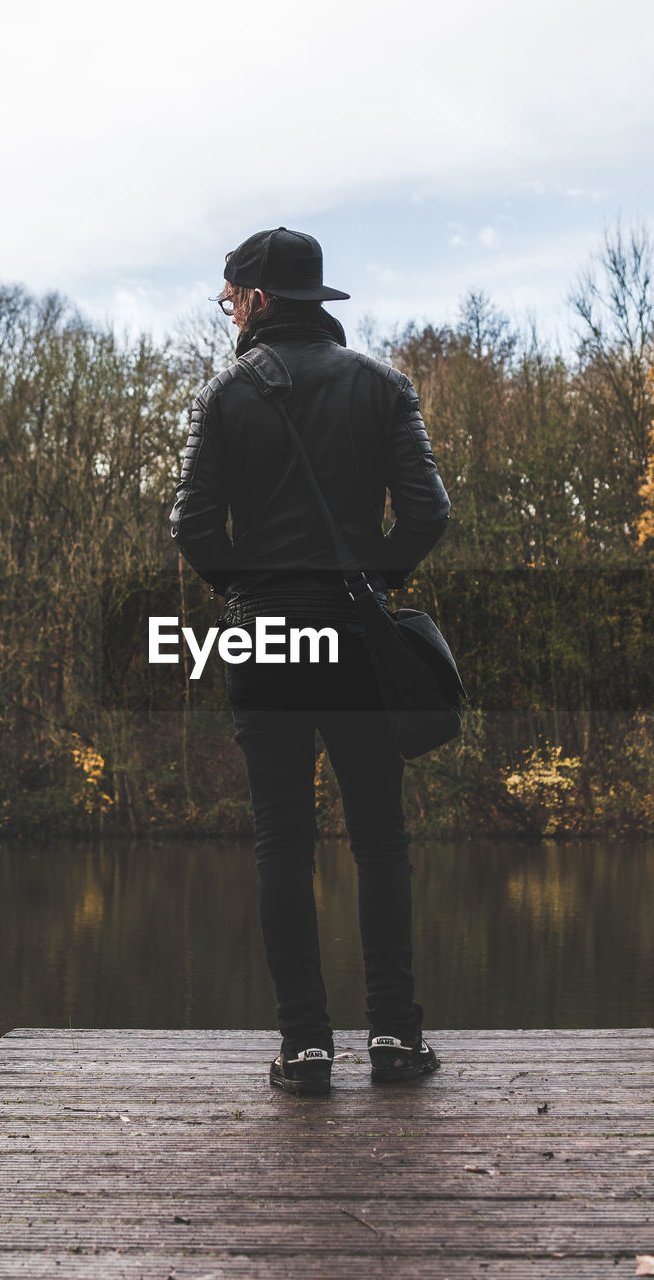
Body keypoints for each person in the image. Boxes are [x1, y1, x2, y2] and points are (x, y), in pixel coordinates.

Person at [170, 227, 450, 1095]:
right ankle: (397, 1043)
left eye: (229, 301)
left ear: (256, 300)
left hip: (267, 639)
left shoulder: (225, 398)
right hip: (359, 638)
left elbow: (189, 528)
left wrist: (246, 593)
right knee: (380, 841)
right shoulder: (384, 386)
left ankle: (306, 1048)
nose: (227, 316)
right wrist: (375, 581)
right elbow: (429, 512)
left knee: (281, 844)